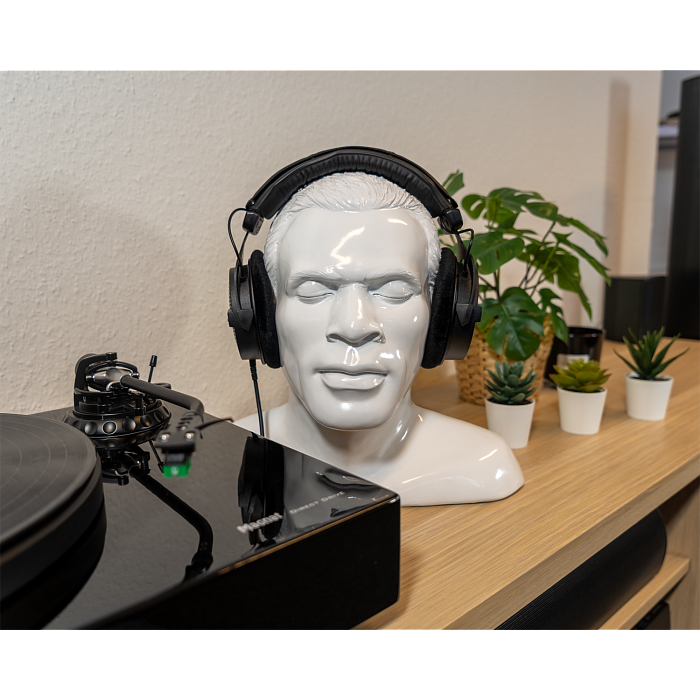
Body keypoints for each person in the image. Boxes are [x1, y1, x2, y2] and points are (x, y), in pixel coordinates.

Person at [236, 172, 523, 506]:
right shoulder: (224, 457)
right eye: (313, 289)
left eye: (394, 290)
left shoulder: (487, 464)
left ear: (441, 311)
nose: (354, 327)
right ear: (264, 312)